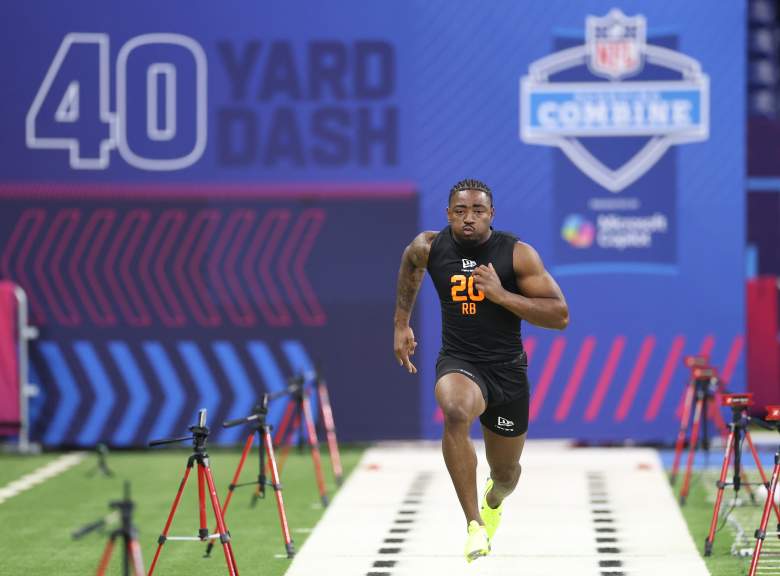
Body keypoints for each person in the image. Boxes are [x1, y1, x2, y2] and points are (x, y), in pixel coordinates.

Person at [393, 178, 569, 562]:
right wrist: (401, 323)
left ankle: (492, 501)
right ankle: (474, 526)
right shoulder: (430, 246)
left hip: (506, 371)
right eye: (460, 211)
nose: (468, 218)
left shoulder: (516, 254)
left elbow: (560, 315)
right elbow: (410, 264)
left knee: (506, 475)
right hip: (460, 361)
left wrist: (502, 295)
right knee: (455, 410)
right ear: (448, 215)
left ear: (491, 214)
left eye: (477, 211)